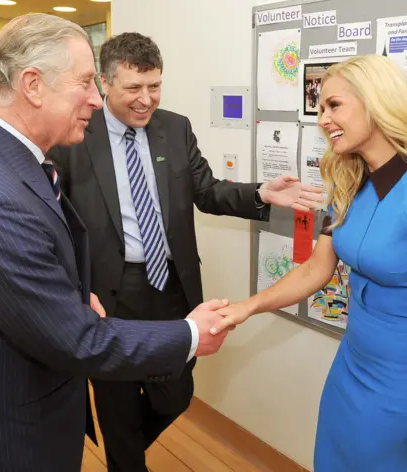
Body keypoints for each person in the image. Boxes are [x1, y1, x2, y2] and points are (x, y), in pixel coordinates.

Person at [0, 14, 231, 472]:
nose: (94, 99)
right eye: (85, 82)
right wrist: (191, 333)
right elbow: (78, 341)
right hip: (3, 442)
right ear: (33, 85)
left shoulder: (8, 160)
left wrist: (75, 295)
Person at [46, 32, 324, 472]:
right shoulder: (74, 136)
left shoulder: (174, 128)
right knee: (117, 408)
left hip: (171, 287)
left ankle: (126, 452)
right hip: (109, 294)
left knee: (175, 394)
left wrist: (262, 194)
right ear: (104, 82)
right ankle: (126, 460)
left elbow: (208, 192)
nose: (146, 99)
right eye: (133, 88)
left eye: (154, 86)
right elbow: (52, 220)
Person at [210, 54, 407, 472]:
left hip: (400, 379)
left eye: (334, 105)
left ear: (376, 102)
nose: (323, 119)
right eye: (321, 108)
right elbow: (316, 269)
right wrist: (247, 307)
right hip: (351, 364)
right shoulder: (349, 182)